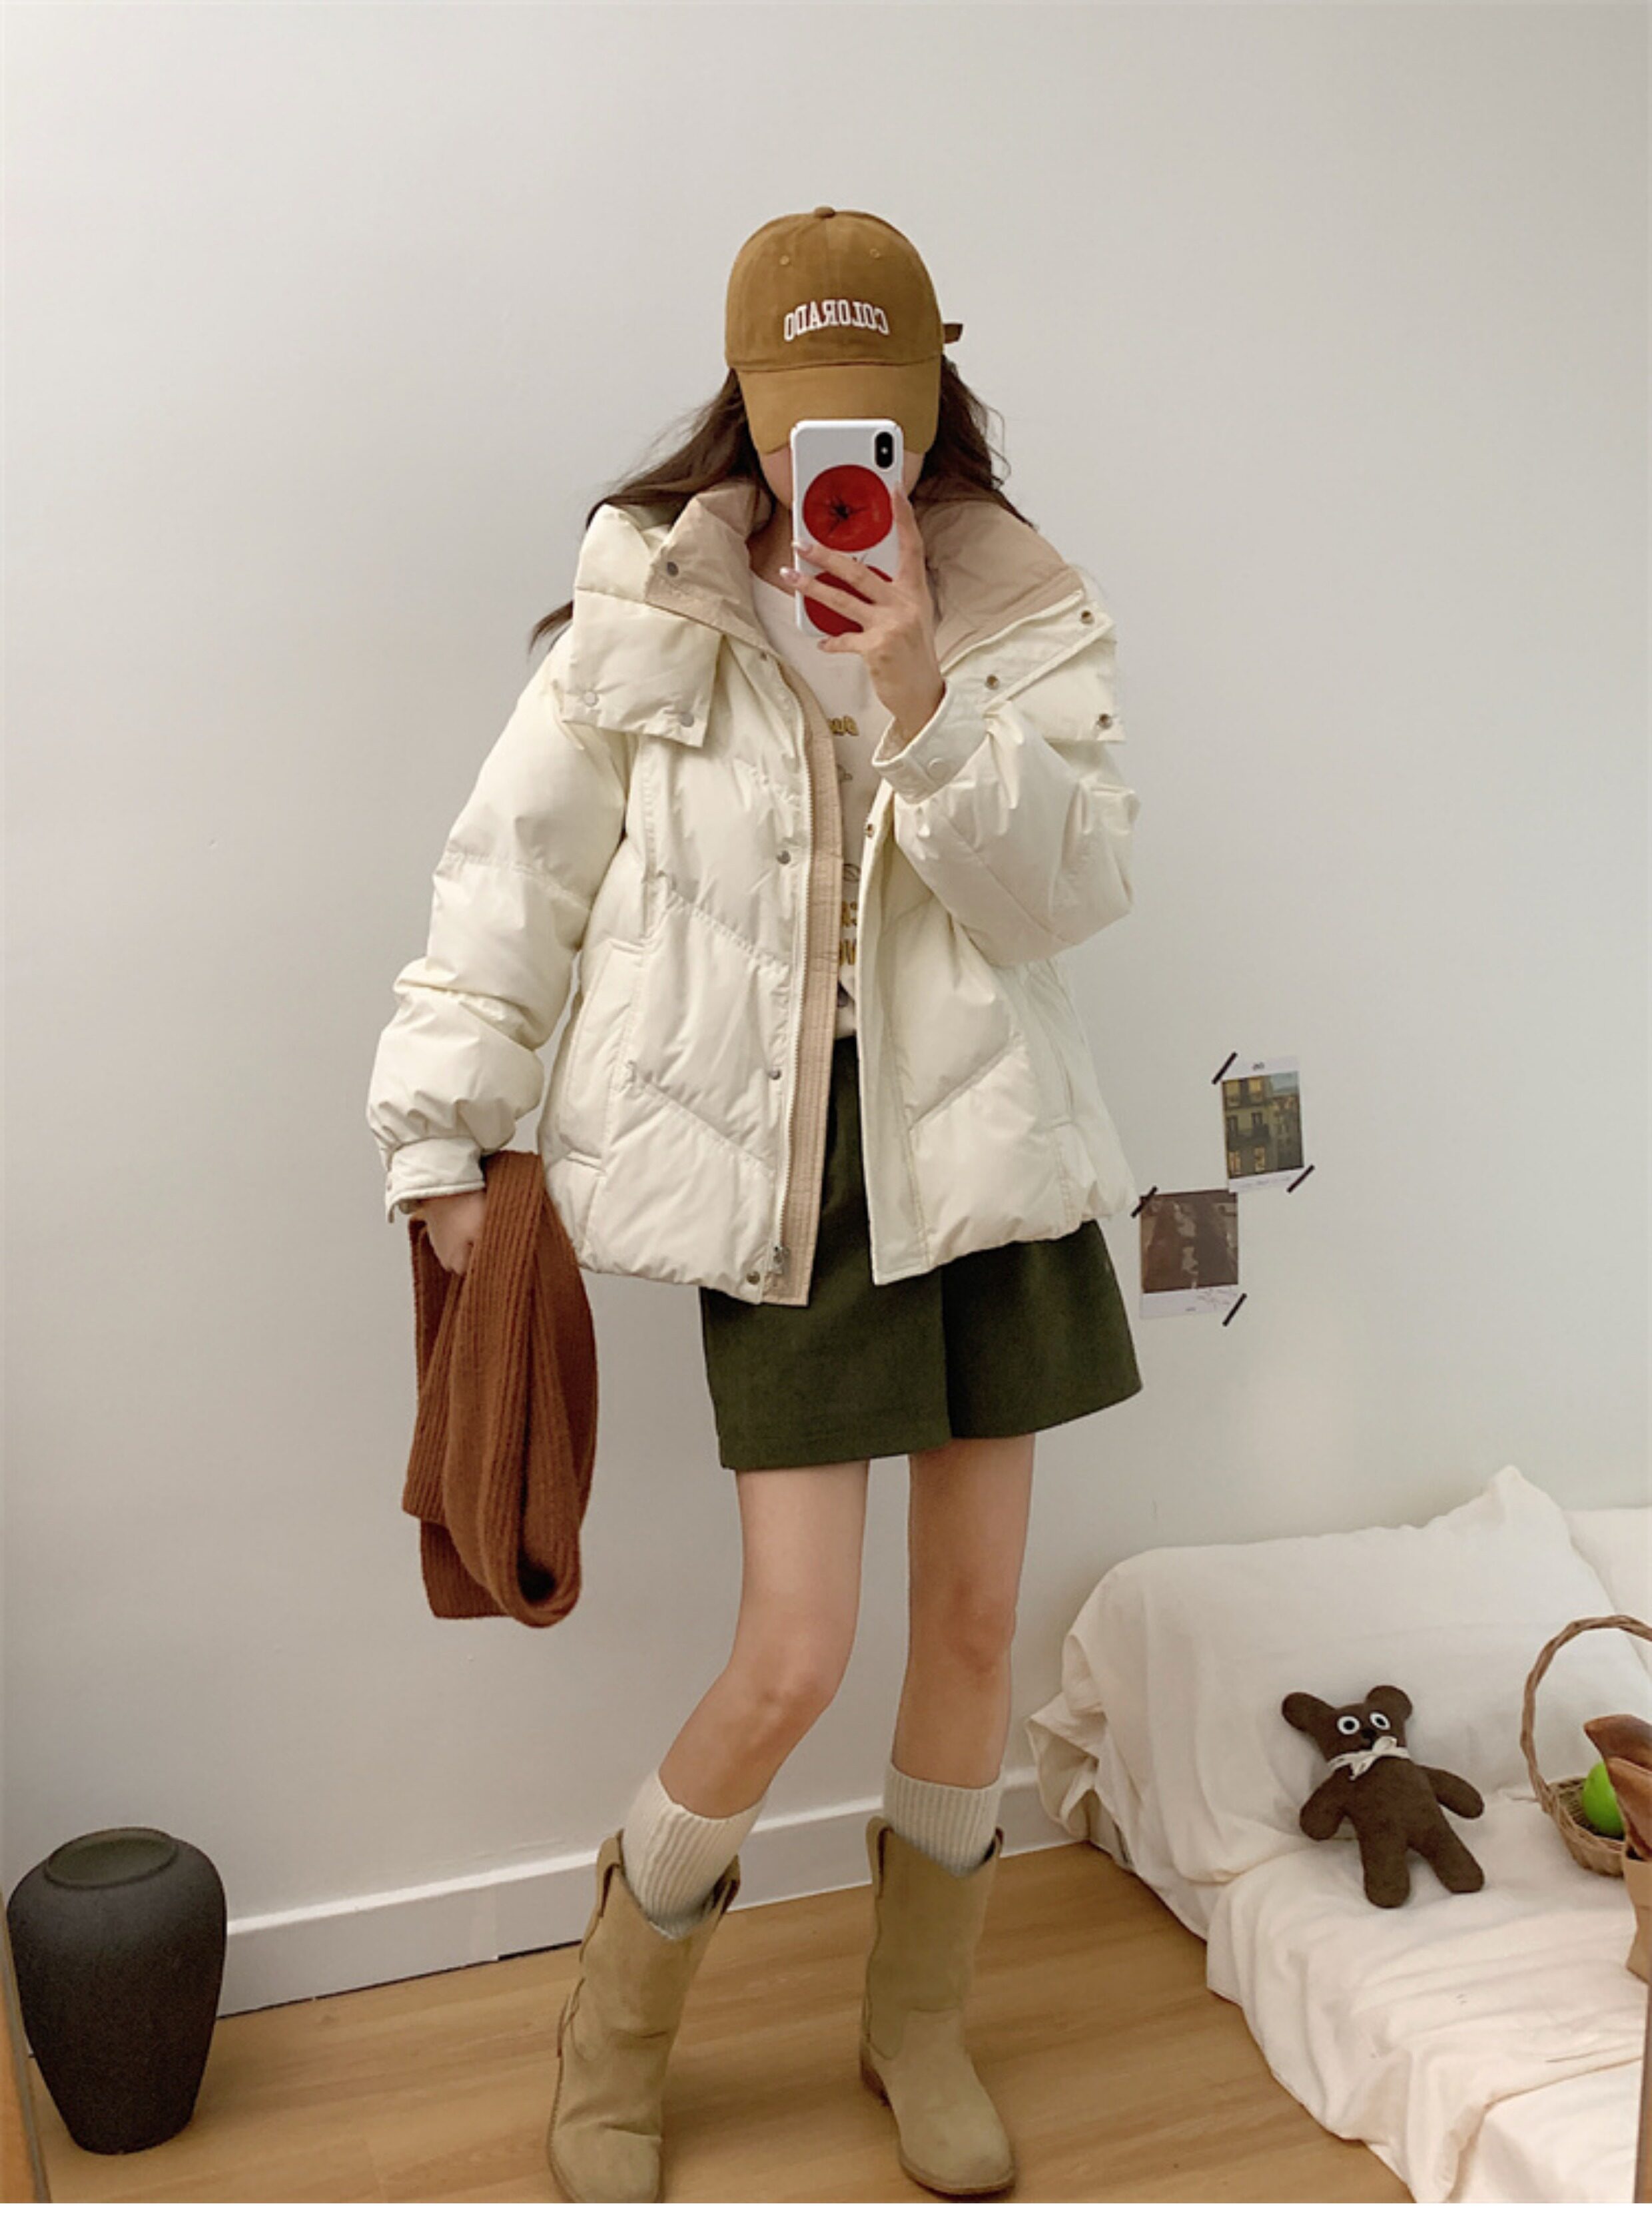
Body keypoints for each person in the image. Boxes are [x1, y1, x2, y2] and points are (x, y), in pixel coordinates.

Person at [366, 205, 1144, 2204]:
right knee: (793, 1649)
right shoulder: (657, 598)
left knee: (970, 1622)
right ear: (749, 400)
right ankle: (612, 2025)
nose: (837, 456)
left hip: (986, 1157)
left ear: (928, 402)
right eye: (804, 415)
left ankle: (918, 2024)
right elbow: (512, 874)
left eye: (875, 411)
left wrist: (924, 689)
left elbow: (1070, 893)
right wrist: (442, 1133)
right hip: (785, 1176)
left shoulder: (1018, 598)